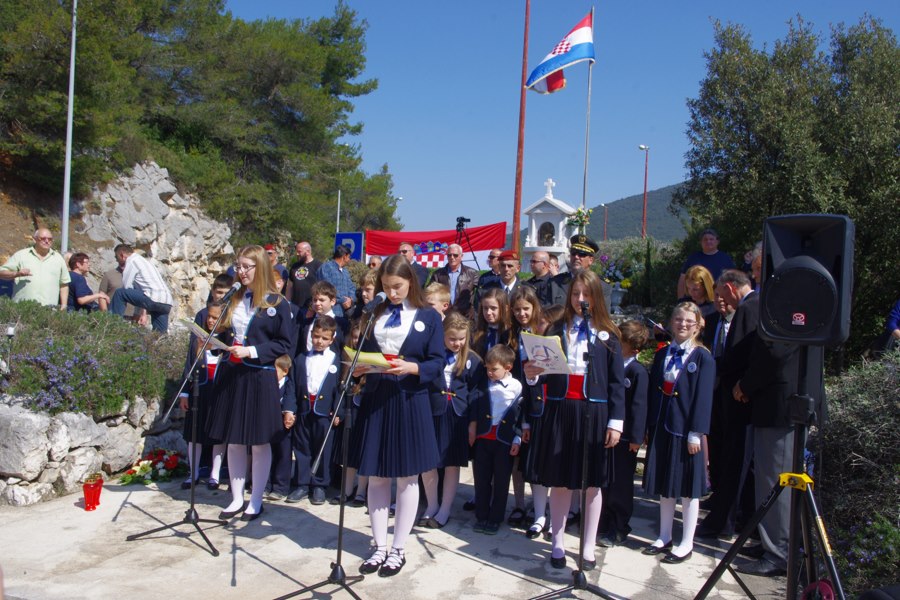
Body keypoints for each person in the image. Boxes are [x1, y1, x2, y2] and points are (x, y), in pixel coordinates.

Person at [349, 254, 443, 577]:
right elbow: (365, 351)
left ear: (410, 282)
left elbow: (437, 362)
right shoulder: (375, 312)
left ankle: (398, 547)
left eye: (398, 286)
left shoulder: (428, 316)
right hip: (378, 397)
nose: (392, 293)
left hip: (410, 400)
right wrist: (360, 366)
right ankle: (379, 545)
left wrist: (413, 367)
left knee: (406, 477)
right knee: (376, 475)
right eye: (387, 287)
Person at [525, 269, 625, 571]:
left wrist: (616, 422)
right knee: (560, 481)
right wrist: (533, 375)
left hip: (594, 411)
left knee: (592, 484)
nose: (581, 299)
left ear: (596, 297)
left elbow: (616, 383)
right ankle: (556, 542)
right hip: (561, 409)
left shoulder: (607, 335)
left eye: (587, 294)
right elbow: (544, 371)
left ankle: (588, 545)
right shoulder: (557, 328)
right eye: (576, 293)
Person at [206, 245, 295, 522]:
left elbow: (284, 344)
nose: (241, 272)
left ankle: (255, 500)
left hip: (259, 376)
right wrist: (216, 343)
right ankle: (236, 498)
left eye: (247, 266)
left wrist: (251, 351)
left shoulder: (277, 303)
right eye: (238, 266)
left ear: (261, 268)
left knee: (258, 443)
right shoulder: (235, 297)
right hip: (233, 374)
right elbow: (228, 332)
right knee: (233, 440)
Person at [642, 302, 715, 564]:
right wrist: (649, 426)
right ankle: (664, 536)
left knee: (687, 487)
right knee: (666, 483)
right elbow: (654, 390)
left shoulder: (702, 357)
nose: (683, 325)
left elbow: (703, 398)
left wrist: (696, 432)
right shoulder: (663, 353)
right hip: (663, 424)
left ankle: (687, 542)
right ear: (671, 322)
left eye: (689, 321)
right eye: (679, 320)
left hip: (686, 430)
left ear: (697, 326)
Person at [698, 269, 758, 539]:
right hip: (740, 396)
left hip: (738, 397)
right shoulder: (757, 305)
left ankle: (724, 521)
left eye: (723, 294)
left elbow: (741, 353)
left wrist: (716, 367)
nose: (722, 301)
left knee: (736, 460)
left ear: (732, 288)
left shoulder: (748, 308)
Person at [420, 312, 486, 529]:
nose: (457, 343)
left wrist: (473, 424)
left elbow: (476, 394)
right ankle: (432, 505)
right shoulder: (432, 356)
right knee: (429, 462)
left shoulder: (473, 361)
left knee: (451, 463)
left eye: (461, 339)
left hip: (458, 416)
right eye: (452, 338)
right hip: (434, 412)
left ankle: (445, 509)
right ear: (442, 336)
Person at [598, 319, 649, 547]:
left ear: (634, 349)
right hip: (607, 433)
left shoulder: (637, 372)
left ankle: (619, 525)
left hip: (626, 438)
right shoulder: (612, 365)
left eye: (622, 343)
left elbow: (639, 407)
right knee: (605, 480)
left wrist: (636, 438)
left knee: (621, 483)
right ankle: (603, 520)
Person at [507, 286, 549, 538]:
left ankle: (542, 510)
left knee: (538, 458)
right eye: (516, 309)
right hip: (518, 399)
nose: (521, 314)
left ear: (535, 307)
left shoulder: (544, 332)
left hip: (540, 402)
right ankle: (519, 504)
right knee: (517, 458)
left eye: (526, 309)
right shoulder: (512, 335)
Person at [470, 344, 523, 535]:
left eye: (494, 369)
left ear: (508, 367)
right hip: (483, 438)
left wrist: (517, 438)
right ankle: (481, 515)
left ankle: (495, 518)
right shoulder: (483, 383)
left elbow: (519, 414)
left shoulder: (516, 387)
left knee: (501, 481)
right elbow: (474, 406)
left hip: (504, 441)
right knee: (481, 479)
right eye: (487, 369)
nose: (490, 373)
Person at [289, 316, 342, 506]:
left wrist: (338, 411)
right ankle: (302, 484)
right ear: (311, 335)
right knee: (302, 447)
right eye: (316, 336)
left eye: (324, 338)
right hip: (304, 410)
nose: (319, 341)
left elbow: (340, 388)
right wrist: (289, 409)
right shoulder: (301, 358)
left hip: (324, 413)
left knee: (323, 449)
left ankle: (320, 484)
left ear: (332, 339)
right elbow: (292, 385)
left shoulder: (336, 360)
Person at [177, 300, 227, 490]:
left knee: (218, 436)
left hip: (219, 394)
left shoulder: (228, 341)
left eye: (215, 318)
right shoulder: (198, 339)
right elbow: (189, 366)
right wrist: (184, 393)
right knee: (194, 434)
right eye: (209, 317)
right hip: (199, 392)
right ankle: (194, 473)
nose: (211, 321)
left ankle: (215, 474)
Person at [109, 244, 174, 333]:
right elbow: (139, 292)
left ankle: (112, 326)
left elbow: (127, 287)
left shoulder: (132, 261)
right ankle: (160, 341)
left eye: (116, 257)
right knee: (160, 335)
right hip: (167, 302)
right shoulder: (145, 262)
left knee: (120, 293)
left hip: (152, 297)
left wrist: (136, 314)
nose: (117, 260)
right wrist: (139, 313)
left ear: (122, 255)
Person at [0, 228, 69, 308]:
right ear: (34, 239)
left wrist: (64, 306)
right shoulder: (21, 255)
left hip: (49, 311)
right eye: (43, 238)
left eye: (50, 239)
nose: (47, 241)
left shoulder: (58, 258)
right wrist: (16, 273)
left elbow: (64, 284)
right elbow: (1, 272)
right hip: (23, 309)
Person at [266, 354, 296, 502]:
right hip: (268, 424)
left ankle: (280, 487)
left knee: (283, 454)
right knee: (267, 453)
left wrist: (289, 413)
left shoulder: (289, 384)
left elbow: (291, 399)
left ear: (285, 371)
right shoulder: (267, 384)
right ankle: (265, 484)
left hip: (283, 425)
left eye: (275, 371)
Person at [677, 228, 735, 298]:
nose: (708, 241)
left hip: (719, 298)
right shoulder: (693, 258)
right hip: (695, 299)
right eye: (705, 239)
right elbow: (683, 279)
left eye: (711, 239)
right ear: (701, 242)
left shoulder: (726, 258)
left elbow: (733, 279)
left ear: (717, 241)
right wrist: (681, 299)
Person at [428, 243, 478, 318]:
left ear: (461, 256)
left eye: (455, 255)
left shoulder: (472, 273)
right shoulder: (437, 274)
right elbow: (430, 293)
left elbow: (481, 294)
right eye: (449, 255)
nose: (452, 257)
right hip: (444, 314)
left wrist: (474, 308)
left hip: (465, 315)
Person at [316, 245, 356, 318]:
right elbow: (327, 289)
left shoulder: (345, 272)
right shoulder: (326, 268)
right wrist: (344, 300)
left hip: (344, 314)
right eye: (349, 257)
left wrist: (351, 299)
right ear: (344, 256)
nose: (349, 260)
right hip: (330, 313)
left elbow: (352, 287)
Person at [471, 287, 510, 359]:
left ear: (505, 309)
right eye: (485, 308)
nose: (488, 312)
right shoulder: (474, 332)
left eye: (493, 308)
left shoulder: (511, 334)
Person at [286, 241, 321, 314]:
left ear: (307, 251)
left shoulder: (318, 266)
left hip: (310, 307)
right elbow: (290, 286)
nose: (297, 254)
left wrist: (314, 306)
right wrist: (288, 303)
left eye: (299, 251)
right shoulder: (295, 266)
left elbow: (321, 287)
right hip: (295, 306)